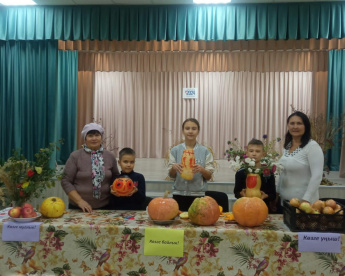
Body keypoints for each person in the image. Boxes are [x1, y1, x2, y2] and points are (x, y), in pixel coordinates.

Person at [61, 123, 120, 212]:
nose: (94, 138)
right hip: (79, 208)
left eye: (97, 135)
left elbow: (116, 177)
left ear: (101, 137)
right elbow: (65, 181)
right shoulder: (75, 156)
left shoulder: (110, 156)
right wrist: (80, 201)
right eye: (90, 135)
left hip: (105, 207)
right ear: (85, 138)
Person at [168, 118, 215, 211]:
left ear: (198, 131)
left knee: (197, 221)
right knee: (180, 222)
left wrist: (202, 170)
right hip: (179, 194)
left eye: (194, 128)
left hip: (198, 196)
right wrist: (174, 168)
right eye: (187, 128)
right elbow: (171, 175)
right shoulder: (175, 150)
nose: (190, 131)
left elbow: (209, 176)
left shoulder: (205, 151)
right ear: (182, 131)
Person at [278, 111, 324, 204]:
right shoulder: (287, 146)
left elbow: (317, 176)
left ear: (306, 126)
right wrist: (277, 193)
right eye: (292, 123)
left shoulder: (312, 146)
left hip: (304, 204)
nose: (295, 127)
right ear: (288, 126)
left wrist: (306, 199)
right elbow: (283, 174)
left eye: (299, 123)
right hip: (285, 202)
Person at [234, 139, 277, 211]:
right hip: (245, 207)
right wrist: (241, 194)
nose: (254, 154)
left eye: (257, 151)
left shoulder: (268, 173)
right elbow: (236, 192)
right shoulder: (240, 172)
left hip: (263, 208)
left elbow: (273, 194)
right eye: (251, 151)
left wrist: (266, 196)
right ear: (246, 153)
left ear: (263, 154)